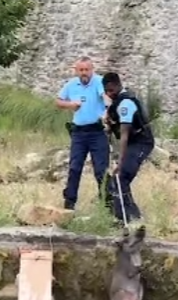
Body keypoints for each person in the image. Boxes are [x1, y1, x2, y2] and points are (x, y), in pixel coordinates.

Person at [56, 57, 112, 210]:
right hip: (79, 133)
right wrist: (70, 105)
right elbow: (58, 101)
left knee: (101, 169)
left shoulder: (99, 82)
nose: (84, 73)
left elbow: (106, 97)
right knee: (74, 167)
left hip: (97, 132)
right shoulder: (71, 84)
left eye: (87, 70)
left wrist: (108, 109)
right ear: (76, 71)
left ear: (92, 70)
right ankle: (69, 203)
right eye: (81, 70)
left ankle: (107, 204)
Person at [102, 72, 155, 224]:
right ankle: (130, 216)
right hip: (133, 142)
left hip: (141, 142)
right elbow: (114, 129)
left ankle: (126, 219)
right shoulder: (115, 103)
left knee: (120, 177)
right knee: (117, 181)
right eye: (106, 91)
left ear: (118, 85)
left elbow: (124, 135)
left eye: (111, 90)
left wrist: (120, 161)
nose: (109, 94)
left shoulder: (126, 104)